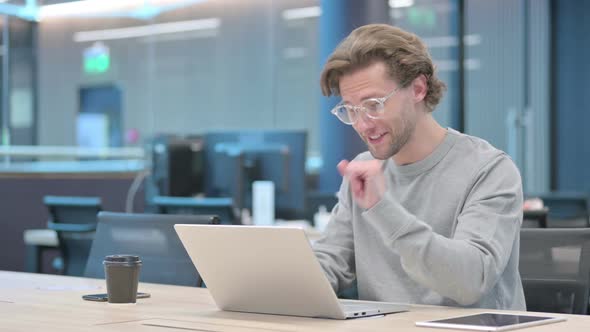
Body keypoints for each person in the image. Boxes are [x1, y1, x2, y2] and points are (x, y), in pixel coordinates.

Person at [313, 24, 525, 310]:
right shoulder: (364, 169)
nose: (362, 125)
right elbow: (330, 263)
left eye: (374, 105)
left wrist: (381, 209)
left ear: (418, 88)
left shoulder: (489, 169)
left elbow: (471, 281)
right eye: (351, 110)